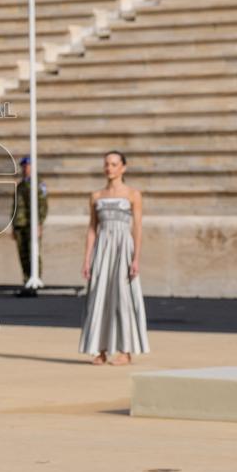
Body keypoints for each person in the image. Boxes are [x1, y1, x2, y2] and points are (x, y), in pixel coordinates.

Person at [79, 151, 149, 366]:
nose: (109, 168)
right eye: (107, 164)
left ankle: (124, 350)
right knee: (99, 296)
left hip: (123, 248)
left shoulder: (133, 194)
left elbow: (137, 227)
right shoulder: (96, 196)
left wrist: (136, 258)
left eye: (114, 164)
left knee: (123, 298)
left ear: (123, 168)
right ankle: (99, 349)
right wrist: (87, 258)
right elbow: (92, 228)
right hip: (102, 248)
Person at [12, 156, 47, 296]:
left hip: (32, 224)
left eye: (28, 166)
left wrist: (39, 223)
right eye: (24, 166)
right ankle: (27, 281)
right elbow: (14, 207)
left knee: (34, 253)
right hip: (21, 224)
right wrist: (13, 225)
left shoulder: (39, 184)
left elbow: (43, 206)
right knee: (24, 255)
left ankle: (35, 281)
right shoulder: (20, 185)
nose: (25, 168)